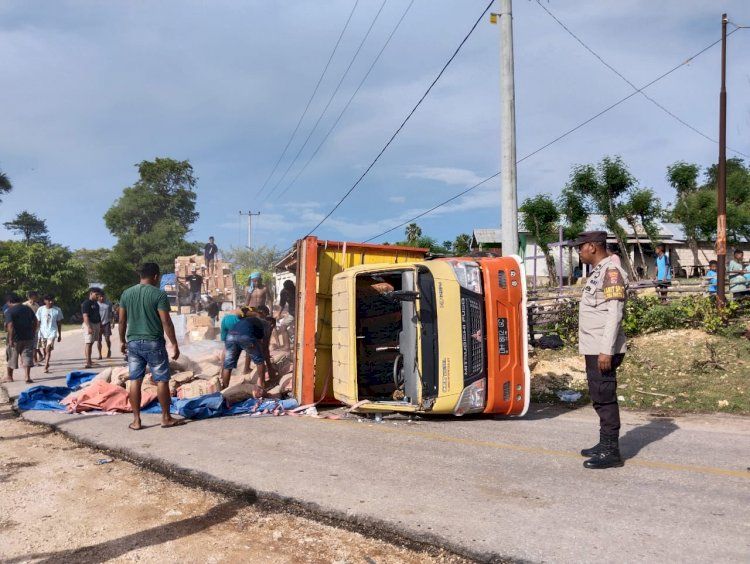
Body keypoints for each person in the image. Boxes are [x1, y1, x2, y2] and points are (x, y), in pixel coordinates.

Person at [576, 231, 629, 470]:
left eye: (580, 247)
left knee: (604, 397)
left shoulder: (612, 273)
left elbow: (614, 313)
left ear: (592, 247)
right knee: (599, 395)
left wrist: (606, 350)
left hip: (603, 348)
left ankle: (611, 451)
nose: (579, 252)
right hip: (595, 346)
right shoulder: (599, 271)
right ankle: (604, 443)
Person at [119, 263, 182, 430]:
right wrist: (174, 343)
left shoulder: (127, 293)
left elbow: (121, 321)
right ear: (155, 276)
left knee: (135, 380)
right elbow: (166, 321)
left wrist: (121, 341)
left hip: (133, 342)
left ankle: (136, 420)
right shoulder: (159, 294)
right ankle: (166, 417)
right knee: (161, 380)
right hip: (154, 342)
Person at [220, 307, 267, 391]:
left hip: (230, 337)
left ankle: (224, 389)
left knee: (228, 366)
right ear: (261, 314)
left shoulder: (242, 321)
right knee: (260, 361)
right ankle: (262, 385)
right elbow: (260, 339)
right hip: (244, 337)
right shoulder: (259, 321)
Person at [3, 293, 38, 384]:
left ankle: (9, 377)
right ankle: (27, 377)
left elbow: (10, 325)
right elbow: (35, 321)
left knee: (11, 357)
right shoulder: (27, 309)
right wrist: (33, 332)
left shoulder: (9, 311)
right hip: (28, 337)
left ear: (9, 302)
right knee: (27, 356)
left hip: (15, 338)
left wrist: (10, 339)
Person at [36, 294, 64, 373]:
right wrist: (35, 331)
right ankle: (46, 361)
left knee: (48, 349)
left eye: (52, 300)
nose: (51, 302)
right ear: (45, 301)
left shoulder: (57, 310)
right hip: (42, 332)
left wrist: (59, 335)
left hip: (52, 332)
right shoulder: (40, 309)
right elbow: (38, 321)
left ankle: (46, 365)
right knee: (45, 349)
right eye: (49, 300)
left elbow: (59, 323)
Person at [81, 287, 103, 369]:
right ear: (91, 293)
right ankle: (88, 362)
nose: (97, 296)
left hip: (96, 324)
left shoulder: (96, 304)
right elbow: (85, 316)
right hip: (89, 324)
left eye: (98, 295)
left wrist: (100, 325)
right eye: (96, 294)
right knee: (88, 343)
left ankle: (89, 360)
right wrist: (89, 327)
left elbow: (98, 315)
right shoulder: (86, 303)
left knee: (92, 342)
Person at [23, 291, 44, 364]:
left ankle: (35, 360)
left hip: (36, 327)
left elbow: (39, 316)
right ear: (31, 297)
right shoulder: (25, 305)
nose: (37, 297)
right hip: (27, 328)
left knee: (35, 344)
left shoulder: (36, 305)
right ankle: (24, 360)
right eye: (36, 296)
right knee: (26, 344)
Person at [277, 279, 296, 350]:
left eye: (290, 289)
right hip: (292, 313)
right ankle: (287, 346)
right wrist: (279, 314)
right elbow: (282, 304)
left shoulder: (297, 290)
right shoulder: (283, 292)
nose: (288, 291)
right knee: (283, 326)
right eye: (287, 289)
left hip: (300, 312)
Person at [97, 292, 114, 359]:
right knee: (98, 340)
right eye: (100, 297)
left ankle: (109, 350)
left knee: (107, 338)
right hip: (98, 324)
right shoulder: (96, 304)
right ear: (98, 297)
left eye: (103, 297)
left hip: (106, 323)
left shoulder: (108, 303)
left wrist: (113, 322)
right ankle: (100, 355)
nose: (102, 298)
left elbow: (112, 313)